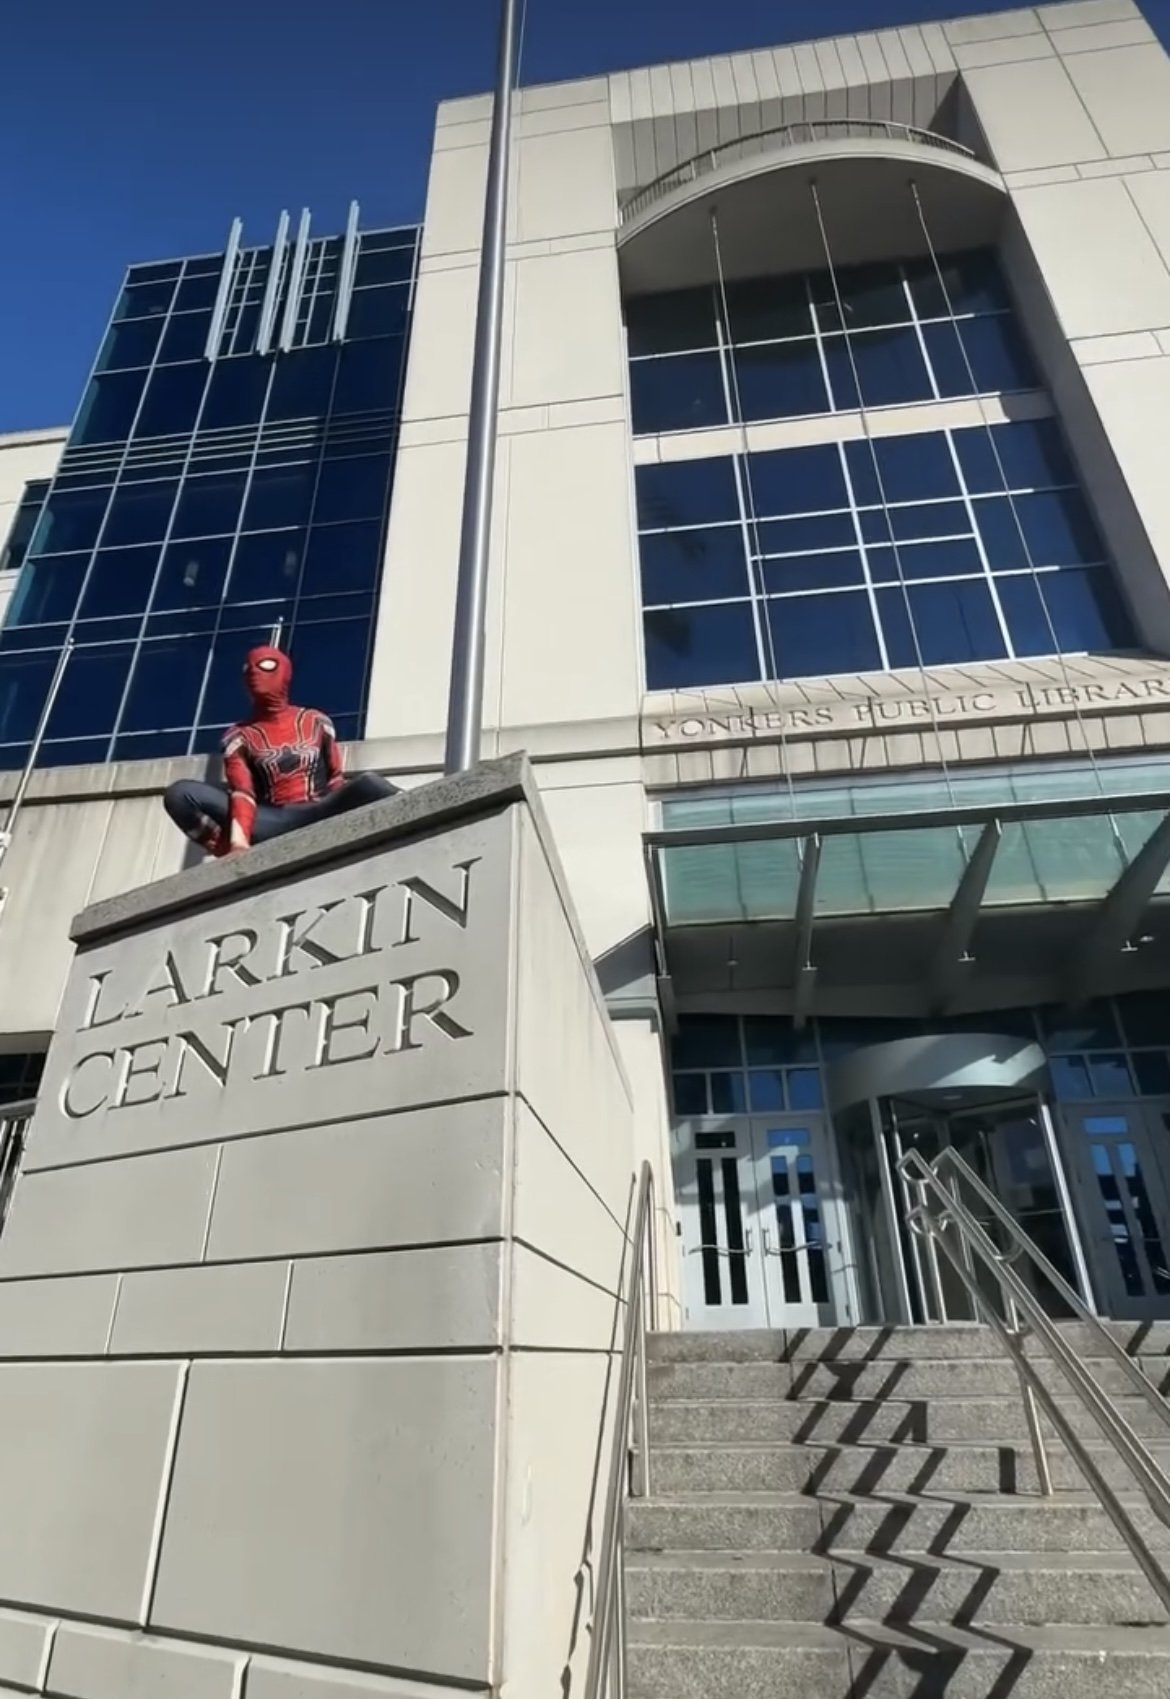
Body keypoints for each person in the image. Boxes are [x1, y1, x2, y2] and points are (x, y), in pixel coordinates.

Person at [163, 644, 397, 858]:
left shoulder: (316, 721)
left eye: (265, 665)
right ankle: (224, 849)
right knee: (181, 794)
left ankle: (425, 823)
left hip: (322, 809)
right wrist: (238, 845)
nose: (255, 673)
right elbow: (242, 793)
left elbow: (335, 779)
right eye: (248, 668)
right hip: (275, 820)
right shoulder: (239, 736)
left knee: (370, 784)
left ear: (284, 672)